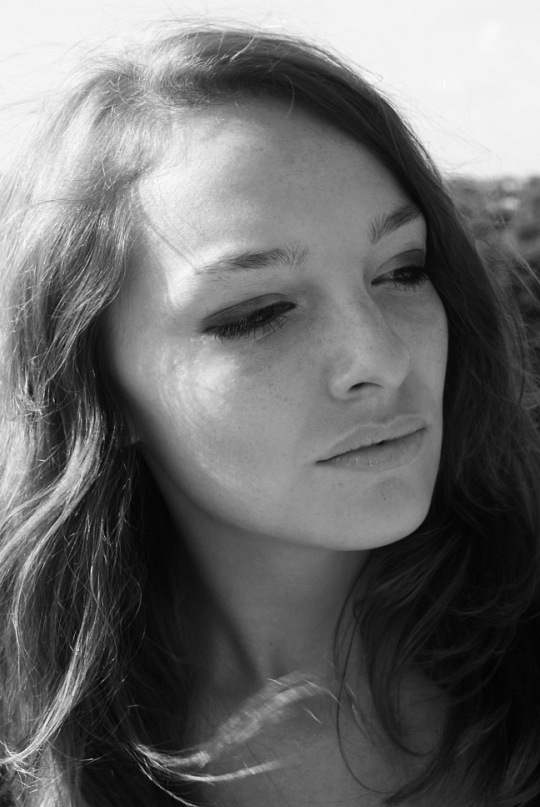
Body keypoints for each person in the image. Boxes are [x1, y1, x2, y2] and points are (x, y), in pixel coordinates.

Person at [1, 23, 539, 807]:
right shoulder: (25, 747)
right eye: (258, 313)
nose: (382, 358)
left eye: (402, 270)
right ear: (98, 385)